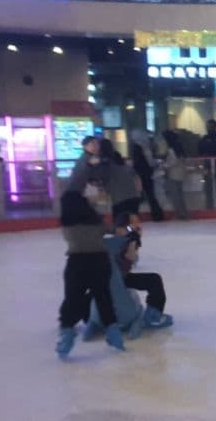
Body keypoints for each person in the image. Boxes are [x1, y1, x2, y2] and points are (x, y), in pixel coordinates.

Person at [56, 181, 124, 359]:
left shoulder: (68, 225)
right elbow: (111, 230)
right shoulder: (96, 220)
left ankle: (67, 335)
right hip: (100, 261)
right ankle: (114, 334)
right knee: (103, 297)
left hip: (77, 262)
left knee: (72, 299)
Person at [113, 212, 173, 328]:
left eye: (137, 222)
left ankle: (153, 312)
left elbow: (132, 259)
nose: (136, 225)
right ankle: (153, 316)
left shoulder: (128, 236)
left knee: (154, 279)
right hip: (112, 278)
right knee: (154, 280)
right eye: (133, 223)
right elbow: (129, 257)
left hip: (120, 276)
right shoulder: (117, 236)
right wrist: (132, 240)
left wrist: (133, 241)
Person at [130, 129, 164, 222]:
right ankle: (157, 215)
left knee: (138, 195)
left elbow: (137, 162)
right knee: (151, 195)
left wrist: (135, 172)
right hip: (148, 173)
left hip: (140, 174)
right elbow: (150, 161)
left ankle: (134, 216)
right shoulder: (146, 146)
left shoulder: (137, 147)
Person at [159, 130, 190, 220]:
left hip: (173, 174)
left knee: (175, 196)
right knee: (179, 195)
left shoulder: (172, 149)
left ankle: (180, 214)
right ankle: (183, 213)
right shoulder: (179, 147)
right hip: (180, 174)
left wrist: (164, 166)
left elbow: (173, 161)